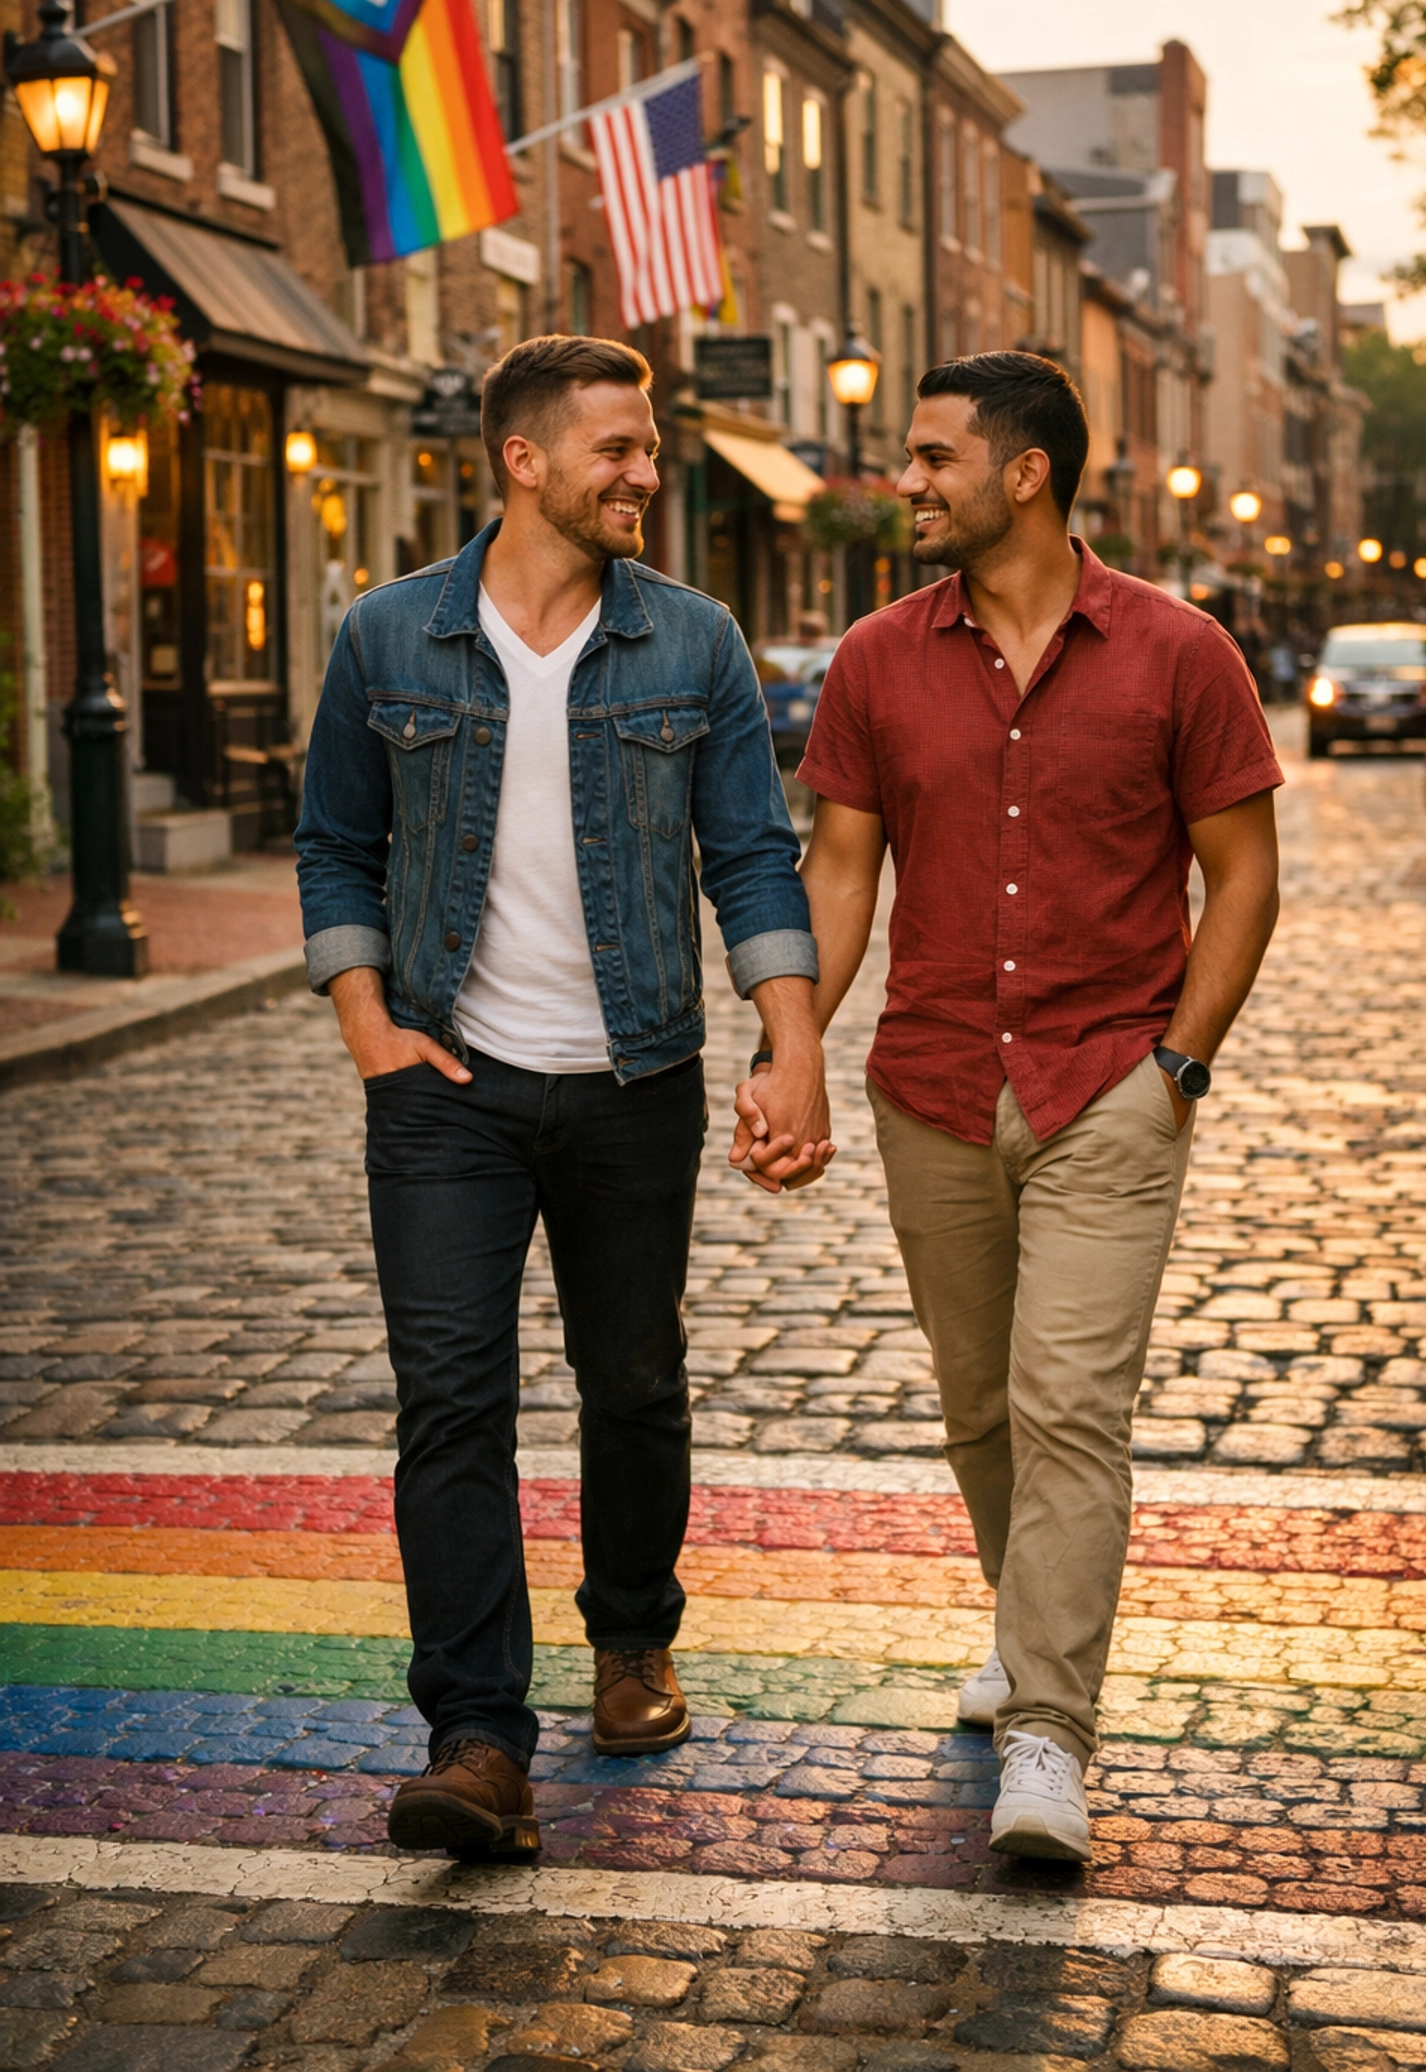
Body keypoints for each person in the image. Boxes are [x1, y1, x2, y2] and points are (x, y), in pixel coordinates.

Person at [736, 351, 1281, 1862]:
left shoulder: (1183, 653)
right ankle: (1020, 1623)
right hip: (932, 1086)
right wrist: (798, 1045)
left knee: (1069, 1409)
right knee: (982, 1407)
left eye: (930, 458)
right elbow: (841, 868)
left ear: (1024, 472)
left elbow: (1243, 877)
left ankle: (1049, 1733)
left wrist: (1179, 1064)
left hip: (1110, 1081)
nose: (902, 480)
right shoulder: (874, 659)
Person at [296, 334, 830, 1862]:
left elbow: (749, 852)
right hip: (445, 1086)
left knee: (633, 1382)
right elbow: (334, 839)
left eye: (649, 445)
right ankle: (475, 1738)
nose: (644, 471)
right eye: (617, 447)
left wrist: (789, 1043)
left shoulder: (695, 640)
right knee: (451, 1397)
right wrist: (365, 1023)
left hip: (636, 1079)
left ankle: (631, 1641)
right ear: (524, 461)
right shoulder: (390, 636)